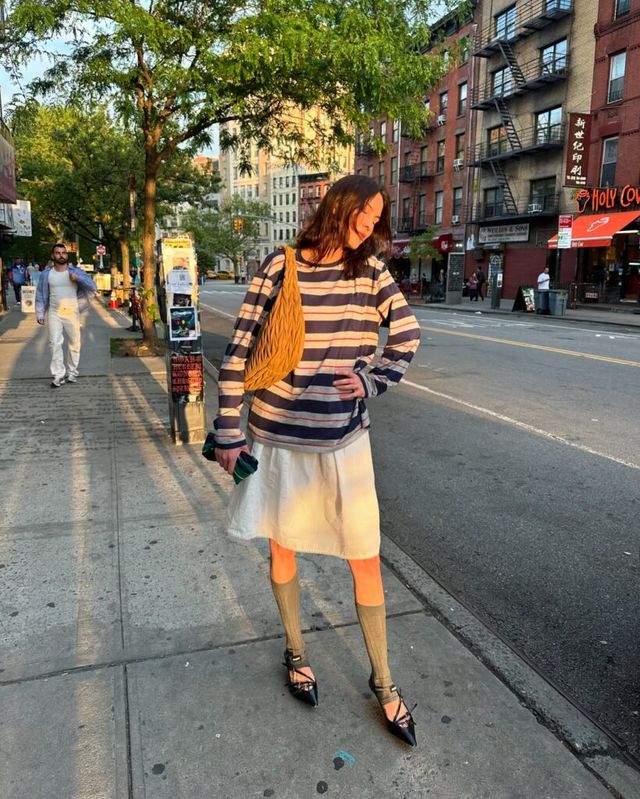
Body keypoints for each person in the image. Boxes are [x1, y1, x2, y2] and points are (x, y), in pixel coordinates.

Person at [212, 175, 420, 746]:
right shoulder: (279, 268)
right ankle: (296, 652)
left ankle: (384, 681)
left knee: (365, 557)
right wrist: (227, 429)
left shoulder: (370, 271)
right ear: (337, 208)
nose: (369, 228)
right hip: (276, 434)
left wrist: (372, 380)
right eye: (363, 216)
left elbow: (406, 335)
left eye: (376, 220)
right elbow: (238, 350)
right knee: (283, 545)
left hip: (344, 440)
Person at [35, 243, 97, 388]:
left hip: (72, 312)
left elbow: (93, 286)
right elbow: (40, 295)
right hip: (54, 312)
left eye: (63, 253)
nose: (61, 255)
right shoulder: (47, 274)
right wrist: (40, 313)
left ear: (67, 255)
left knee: (75, 343)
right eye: (57, 253)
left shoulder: (75, 272)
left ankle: (72, 372)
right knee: (54, 344)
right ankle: (58, 375)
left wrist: (78, 279)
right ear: (53, 256)